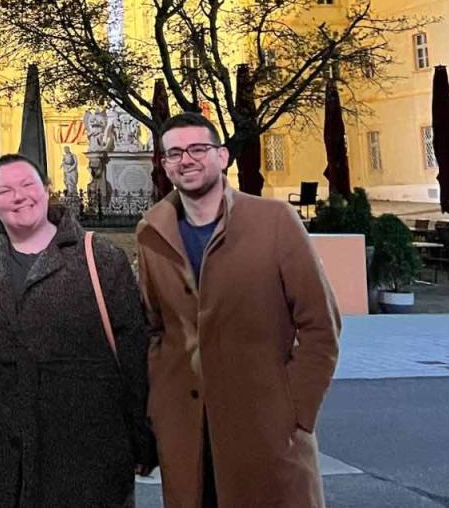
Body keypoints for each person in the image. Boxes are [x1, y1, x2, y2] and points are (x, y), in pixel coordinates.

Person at [135, 113, 341, 508]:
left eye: (198, 149)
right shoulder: (152, 232)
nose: (186, 160)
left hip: (264, 424)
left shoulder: (273, 221)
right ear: (163, 165)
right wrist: (160, 407)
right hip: (187, 429)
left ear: (222, 156)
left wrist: (296, 410)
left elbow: (320, 324)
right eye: (174, 153)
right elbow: (154, 328)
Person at [0, 153, 152, 508]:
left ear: (47, 190)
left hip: (81, 436)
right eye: (5, 191)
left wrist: (141, 436)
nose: (19, 196)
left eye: (28, 185)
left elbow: (133, 350)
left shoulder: (100, 257)